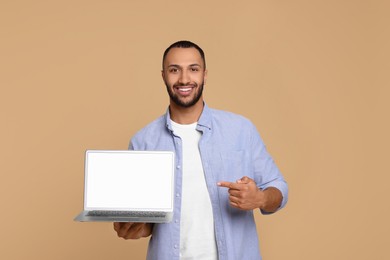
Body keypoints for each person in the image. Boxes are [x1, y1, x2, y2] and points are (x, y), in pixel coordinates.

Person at [113, 40, 288, 260]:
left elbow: (279, 187)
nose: (184, 79)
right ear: (163, 76)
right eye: (174, 70)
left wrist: (260, 198)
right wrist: (133, 228)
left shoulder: (241, 129)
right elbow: (147, 222)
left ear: (204, 75)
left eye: (193, 69)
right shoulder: (142, 142)